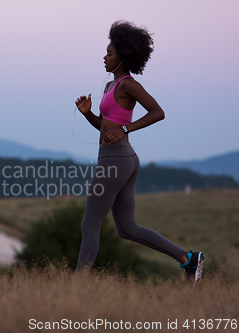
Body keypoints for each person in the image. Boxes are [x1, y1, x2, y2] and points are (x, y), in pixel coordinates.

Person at [74, 20, 204, 286]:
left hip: (116, 161)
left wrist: (125, 128)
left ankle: (76, 288)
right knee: (127, 229)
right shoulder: (110, 87)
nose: (104, 57)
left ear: (123, 56)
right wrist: (88, 115)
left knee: (89, 226)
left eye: (109, 53)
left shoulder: (127, 84)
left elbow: (158, 112)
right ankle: (188, 259)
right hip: (122, 159)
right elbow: (105, 127)